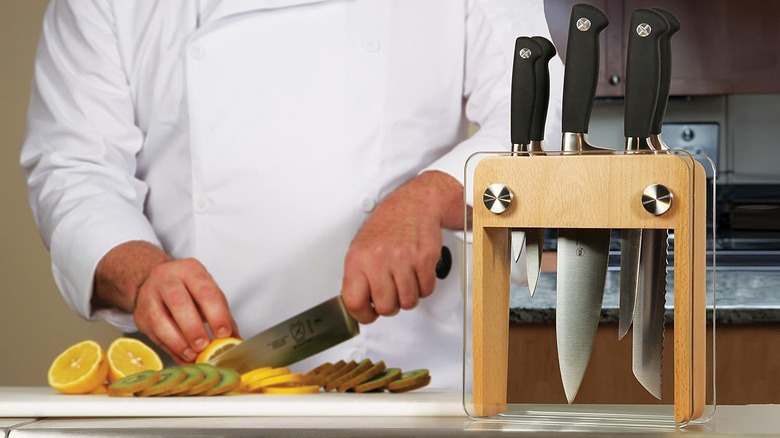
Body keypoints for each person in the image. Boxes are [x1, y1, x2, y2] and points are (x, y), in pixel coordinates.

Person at [21, 0, 563, 388]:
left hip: (409, 380)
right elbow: (74, 164)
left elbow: (543, 105)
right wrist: (138, 272)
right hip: (210, 392)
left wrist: (431, 196)